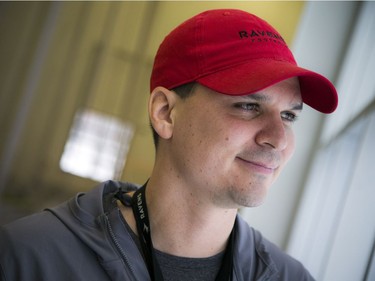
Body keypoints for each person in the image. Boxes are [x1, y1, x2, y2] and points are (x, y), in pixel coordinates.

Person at [0, 9, 337, 281]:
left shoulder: (291, 277)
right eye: (249, 106)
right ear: (165, 113)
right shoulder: (29, 257)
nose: (278, 139)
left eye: (290, 116)